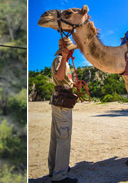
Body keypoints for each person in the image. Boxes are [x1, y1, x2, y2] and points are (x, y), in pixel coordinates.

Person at [48, 37, 78, 183]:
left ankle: (55, 168)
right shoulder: (61, 60)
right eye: (71, 50)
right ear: (67, 50)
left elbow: (63, 78)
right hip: (62, 103)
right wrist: (65, 57)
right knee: (63, 138)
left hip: (58, 101)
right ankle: (60, 176)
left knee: (56, 137)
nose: (73, 52)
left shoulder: (62, 61)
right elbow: (60, 77)